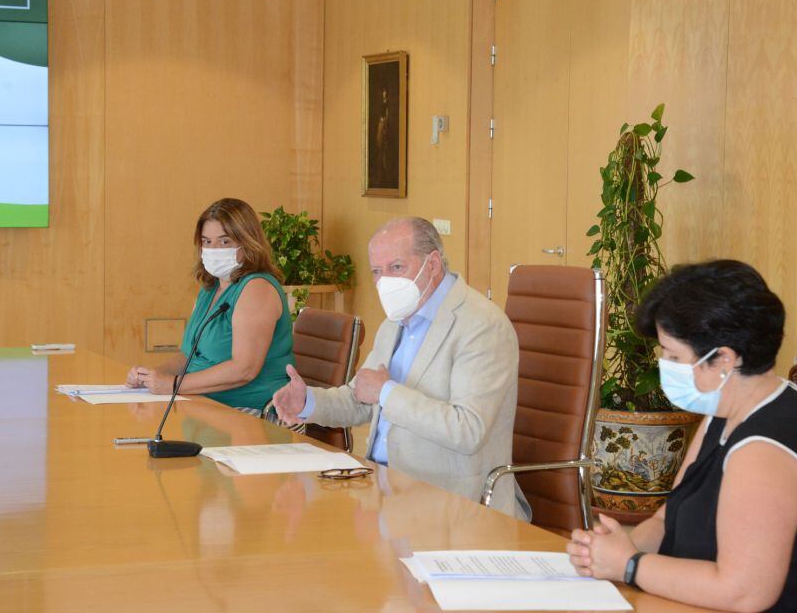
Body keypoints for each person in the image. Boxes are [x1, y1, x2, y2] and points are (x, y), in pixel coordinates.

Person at [566, 260, 797, 612]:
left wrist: (630, 565)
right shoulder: (727, 408)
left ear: (724, 360)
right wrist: (612, 550)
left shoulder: (764, 451)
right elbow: (666, 518)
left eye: (674, 355)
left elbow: (743, 592)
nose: (665, 365)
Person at [272, 217, 528, 518]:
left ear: (432, 264)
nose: (385, 283)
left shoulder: (482, 326)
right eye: (377, 272)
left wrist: (387, 393)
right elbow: (361, 399)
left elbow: (468, 430)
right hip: (378, 487)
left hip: (450, 504)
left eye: (396, 268)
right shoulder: (396, 321)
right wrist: (308, 401)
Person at [125, 198, 294, 414]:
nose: (214, 250)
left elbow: (245, 369)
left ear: (248, 242)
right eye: (207, 242)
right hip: (203, 406)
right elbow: (188, 357)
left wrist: (173, 384)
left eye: (224, 242)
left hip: (250, 412)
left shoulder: (257, 288)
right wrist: (150, 378)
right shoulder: (211, 287)